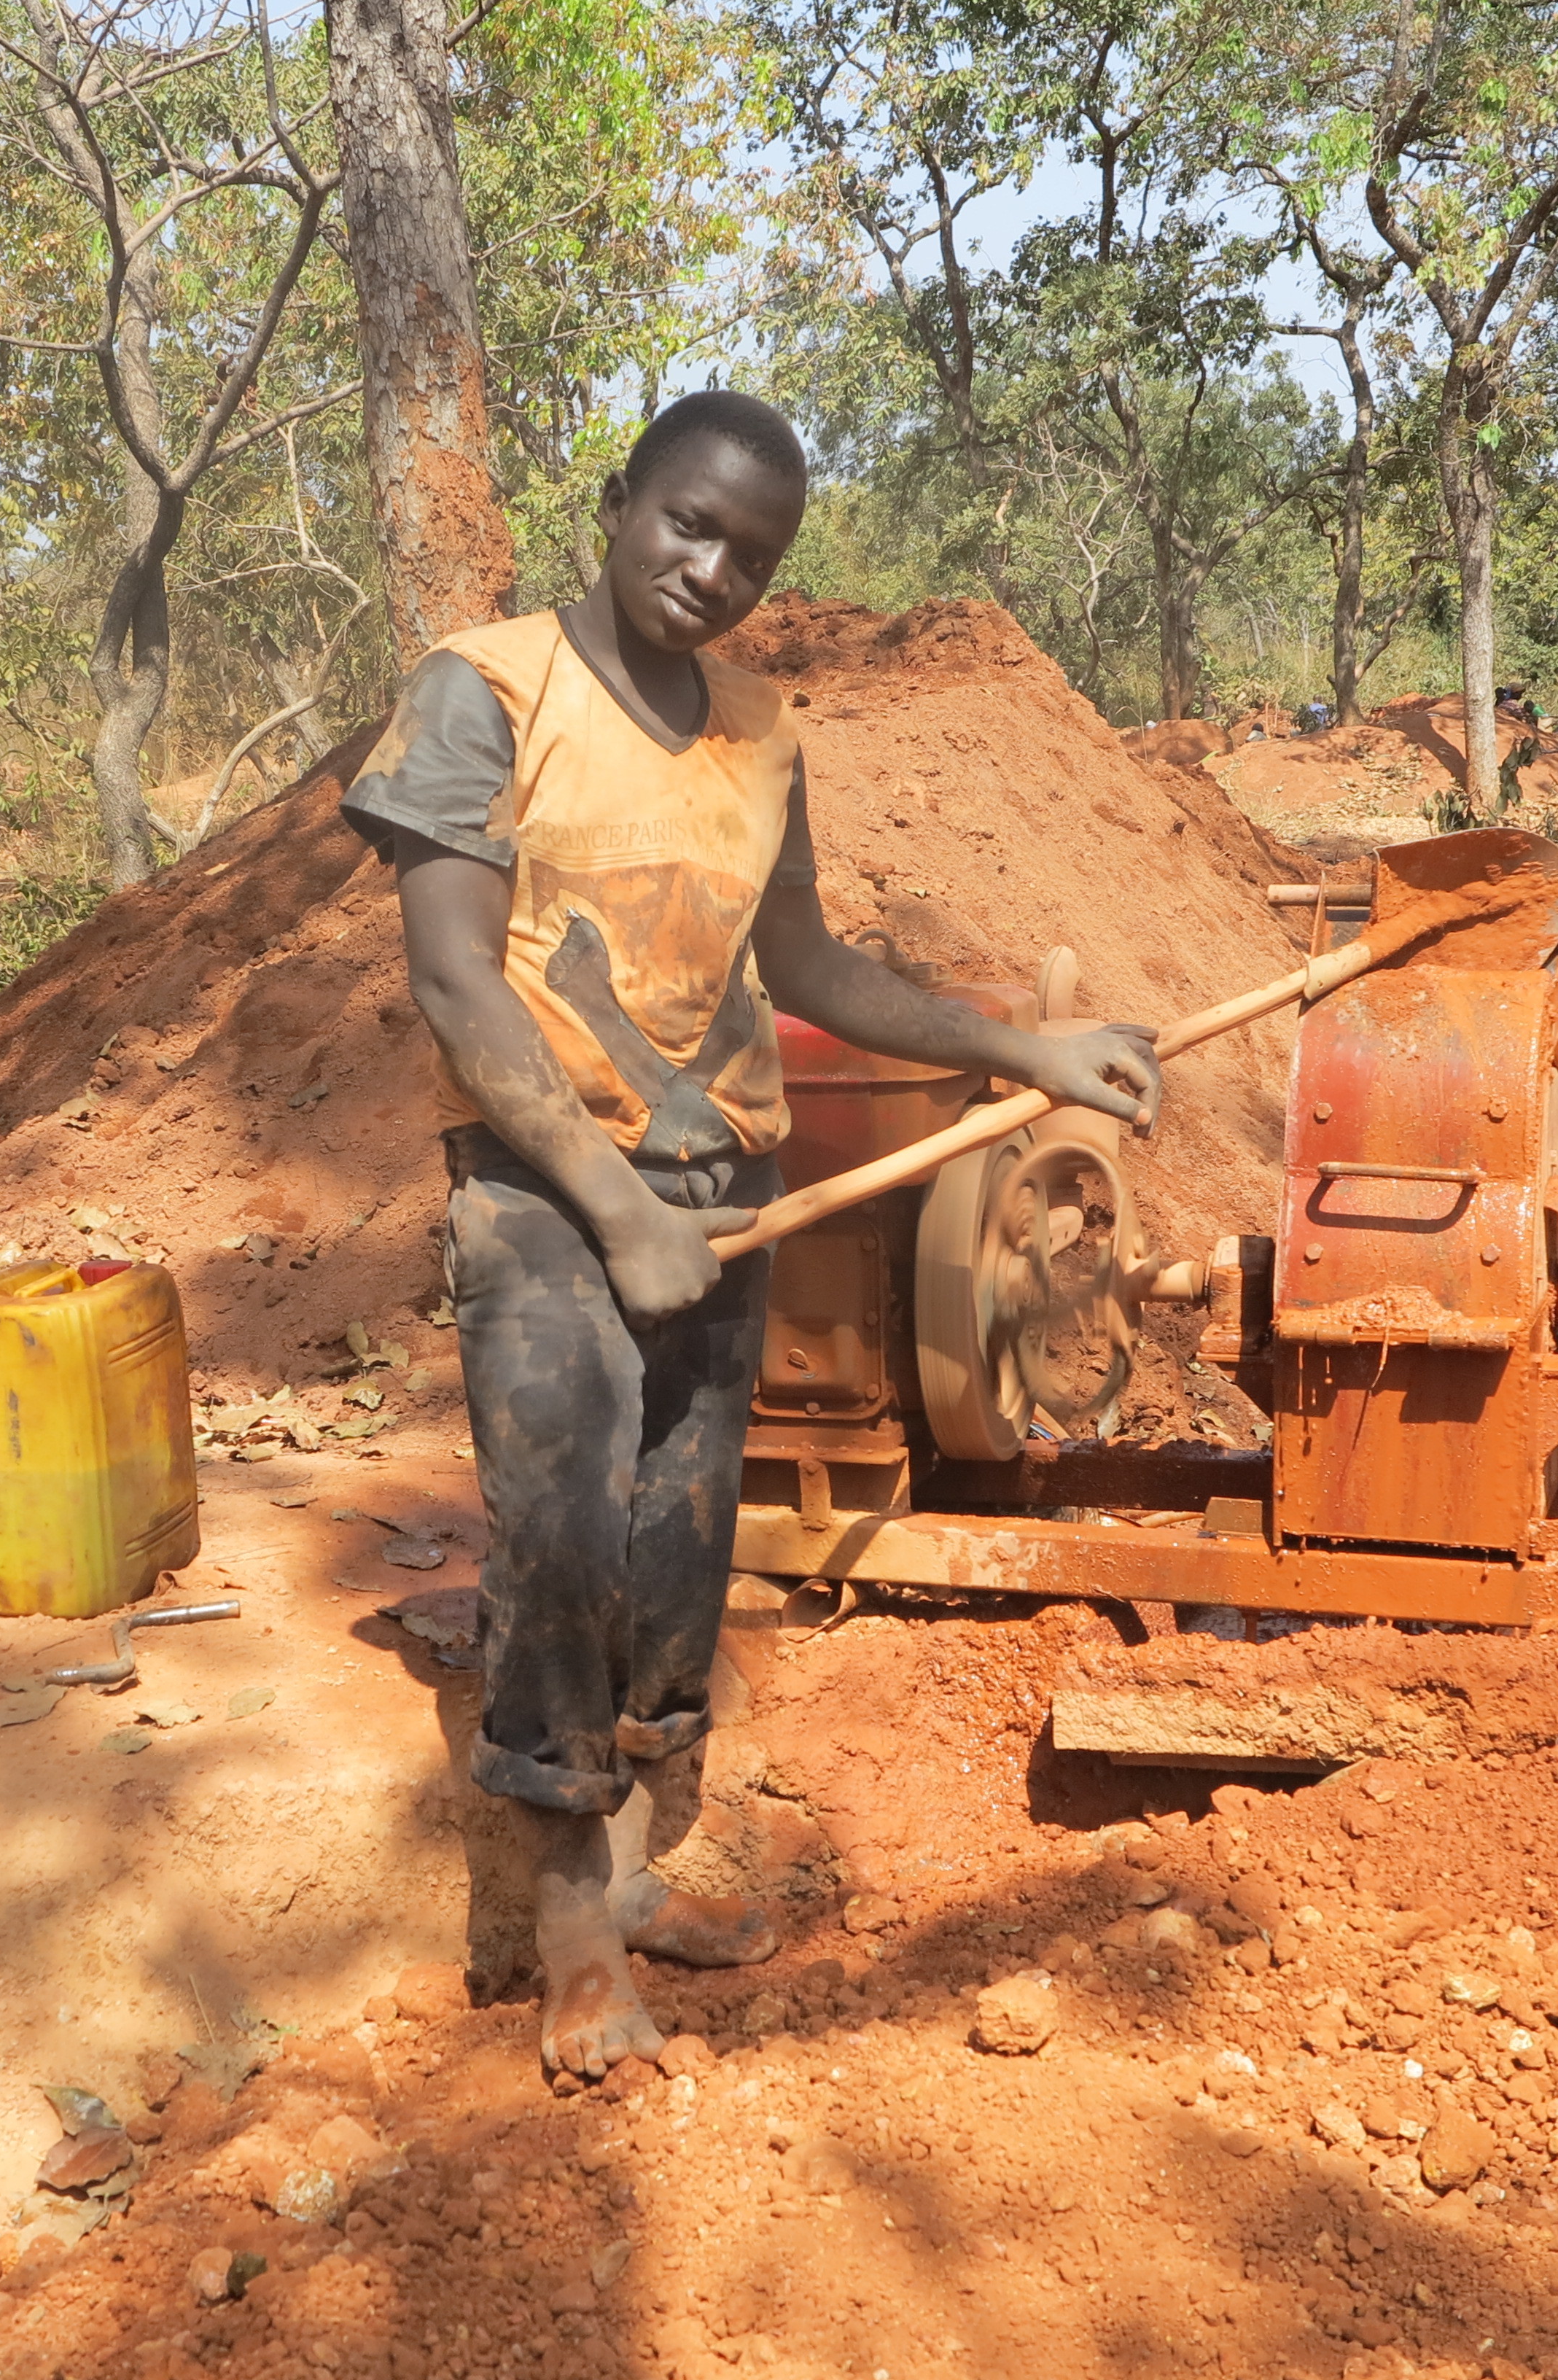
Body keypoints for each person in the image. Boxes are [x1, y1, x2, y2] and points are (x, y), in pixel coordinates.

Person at [340, 390, 1162, 2077]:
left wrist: (1017, 1046)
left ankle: (633, 1885)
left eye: (752, 556)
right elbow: (451, 978)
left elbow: (801, 965)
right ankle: (573, 1941)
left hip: (723, 1201)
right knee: (562, 1539)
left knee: (674, 1549)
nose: (712, 570)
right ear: (620, 500)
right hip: (548, 1192)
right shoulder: (487, 687)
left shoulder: (756, 727)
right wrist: (614, 1200)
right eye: (687, 524)